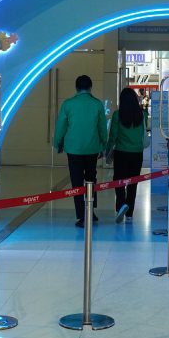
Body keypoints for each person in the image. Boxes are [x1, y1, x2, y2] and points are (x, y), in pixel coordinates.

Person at [54, 75, 107, 226]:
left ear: (76, 88)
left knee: (76, 182)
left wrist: (57, 143)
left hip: (73, 149)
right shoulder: (97, 104)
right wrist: (103, 144)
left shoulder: (68, 104)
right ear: (90, 88)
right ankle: (91, 212)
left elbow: (61, 126)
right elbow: (102, 127)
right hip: (92, 148)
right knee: (91, 179)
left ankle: (80, 215)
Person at [106, 87, 146, 223]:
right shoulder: (141, 114)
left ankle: (121, 206)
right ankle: (129, 213)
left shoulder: (117, 115)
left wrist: (107, 151)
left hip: (121, 153)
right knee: (133, 183)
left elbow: (113, 136)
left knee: (119, 180)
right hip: (137, 153)